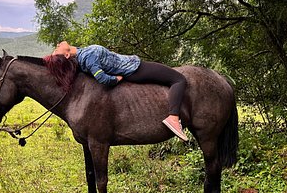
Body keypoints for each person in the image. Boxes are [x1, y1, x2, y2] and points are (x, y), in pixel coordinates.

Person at [50, 41, 189, 142]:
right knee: (178, 79)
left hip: (132, 65)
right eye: (56, 51)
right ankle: (173, 118)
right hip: (134, 69)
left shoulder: (82, 54)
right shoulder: (88, 57)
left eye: (56, 49)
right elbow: (102, 78)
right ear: (67, 55)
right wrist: (116, 79)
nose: (56, 47)